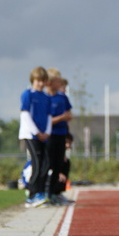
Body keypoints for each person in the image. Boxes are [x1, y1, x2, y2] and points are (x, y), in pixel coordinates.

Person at [19, 66, 52, 208]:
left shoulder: (46, 97)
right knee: (36, 163)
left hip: (44, 135)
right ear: (33, 80)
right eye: (38, 80)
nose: (41, 84)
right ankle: (31, 195)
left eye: (43, 81)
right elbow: (25, 114)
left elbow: (49, 116)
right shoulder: (28, 94)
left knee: (46, 163)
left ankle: (40, 193)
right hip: (30, 135)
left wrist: (47, 132)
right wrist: (36, 132)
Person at [46, 68, 74, 206]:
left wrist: (65, 117)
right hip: (49, 135)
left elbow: (69, 114)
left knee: (59, 164)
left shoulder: (63, 97)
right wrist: (61, 118)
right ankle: (45, 193)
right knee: (48, 165)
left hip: (62, 134)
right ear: (50, 83)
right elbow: (45, 120)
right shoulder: (45, 98)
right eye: (57, 81)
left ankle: (55, 194)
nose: (60, 83)